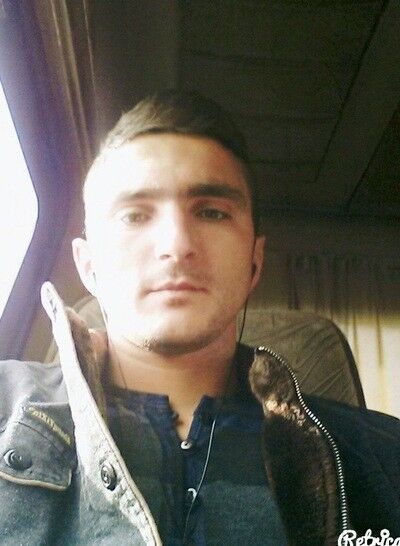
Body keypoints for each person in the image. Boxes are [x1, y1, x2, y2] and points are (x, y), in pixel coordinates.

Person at [0, 90, 399, 546]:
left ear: (254, 262)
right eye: (134, 216)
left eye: (211, 212)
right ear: (88, 266)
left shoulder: (383, 459)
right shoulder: (7, 406)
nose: (177, 244)